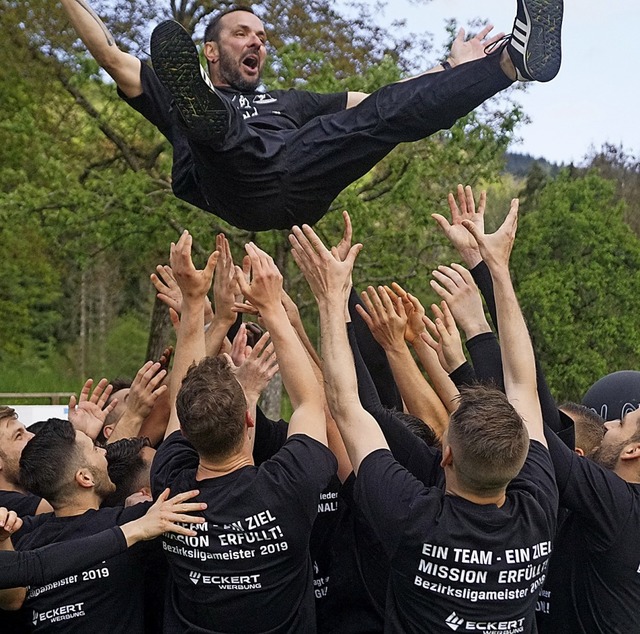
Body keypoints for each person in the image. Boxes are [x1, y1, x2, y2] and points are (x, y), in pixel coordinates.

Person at [58, 0, 563, 230]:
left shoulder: (291, 102)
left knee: (381, 116)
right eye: (242, 33)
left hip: (302, 177)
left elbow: (381, 99)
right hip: (236, 187)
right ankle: (209, 121)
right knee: (220, 132)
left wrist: (450, 67)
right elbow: (108, 53)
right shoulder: (177, 92)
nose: (256, 39)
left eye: (261, 35)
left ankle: (511, 63)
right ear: (210, 51)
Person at [289, 201, 557, 632]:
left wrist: (331, 299)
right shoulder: (539, 509)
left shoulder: (412, 519)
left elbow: (347, 406)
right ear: (524, 454)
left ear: (446, 454)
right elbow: (523, 384)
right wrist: (496, 269)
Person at [150, 231, 336, 632]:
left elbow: (181, 404)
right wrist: (272, 308)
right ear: (249, 417)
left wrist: (197, 305)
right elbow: (310, 401)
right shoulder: (289, 485)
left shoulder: (170, 486)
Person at [13, 419, 166, 633]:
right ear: (85, 478)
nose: (105, 453)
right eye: (95, 449)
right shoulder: (134, 524)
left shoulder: (22, 543)